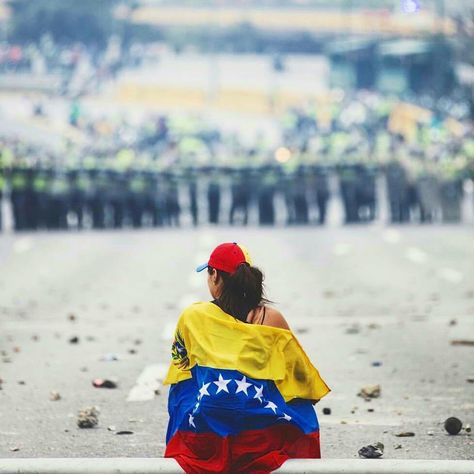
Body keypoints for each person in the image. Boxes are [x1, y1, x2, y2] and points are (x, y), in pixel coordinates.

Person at [164, 242, 330, 474]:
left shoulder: (193, 317)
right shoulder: (271, 318)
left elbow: (180, 367)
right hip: (263, 435)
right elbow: (302, 378)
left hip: (205, 433)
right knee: (295, 398)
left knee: (184, 387)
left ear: (214, 276)